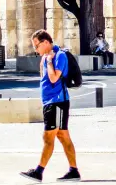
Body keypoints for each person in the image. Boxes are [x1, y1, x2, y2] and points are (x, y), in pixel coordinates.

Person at [20, 29, 80, 182]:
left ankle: (39, 172)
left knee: (48, 137)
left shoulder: (59, 56)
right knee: (63, 136)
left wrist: (47, 61)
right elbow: (44, 78)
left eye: (37, 46)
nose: (35, 49)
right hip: (51, 103)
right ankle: (73, 171)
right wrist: (44, 60)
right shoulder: (48, 56)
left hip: (57, 102)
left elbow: (54, 79)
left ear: (46, 42)